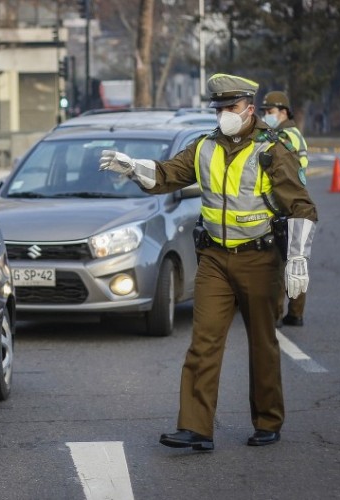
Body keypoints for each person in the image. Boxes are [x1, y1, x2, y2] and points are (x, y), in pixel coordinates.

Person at [99, 73, 318, 450]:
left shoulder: (271, 149)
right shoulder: (204, 147)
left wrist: (298, 258)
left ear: (250, 108)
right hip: (215, 258)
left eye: (230, 108)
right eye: (219, 109)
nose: (223, 115)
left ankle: (267, 420)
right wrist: (135, 167)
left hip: (259, 257)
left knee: (263, 343)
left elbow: (301, 206)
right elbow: (168, 174)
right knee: (203, 343)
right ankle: (196, 429)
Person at [262, 90, 310, 327]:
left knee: (280, 263)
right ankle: (296, 312)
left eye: (269, 112)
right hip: (298, 203)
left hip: (285, 205)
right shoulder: (294, 133)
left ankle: (277, 314)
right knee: (296, 259)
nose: (266, 116)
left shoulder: (283, 137)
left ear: (283, 112)